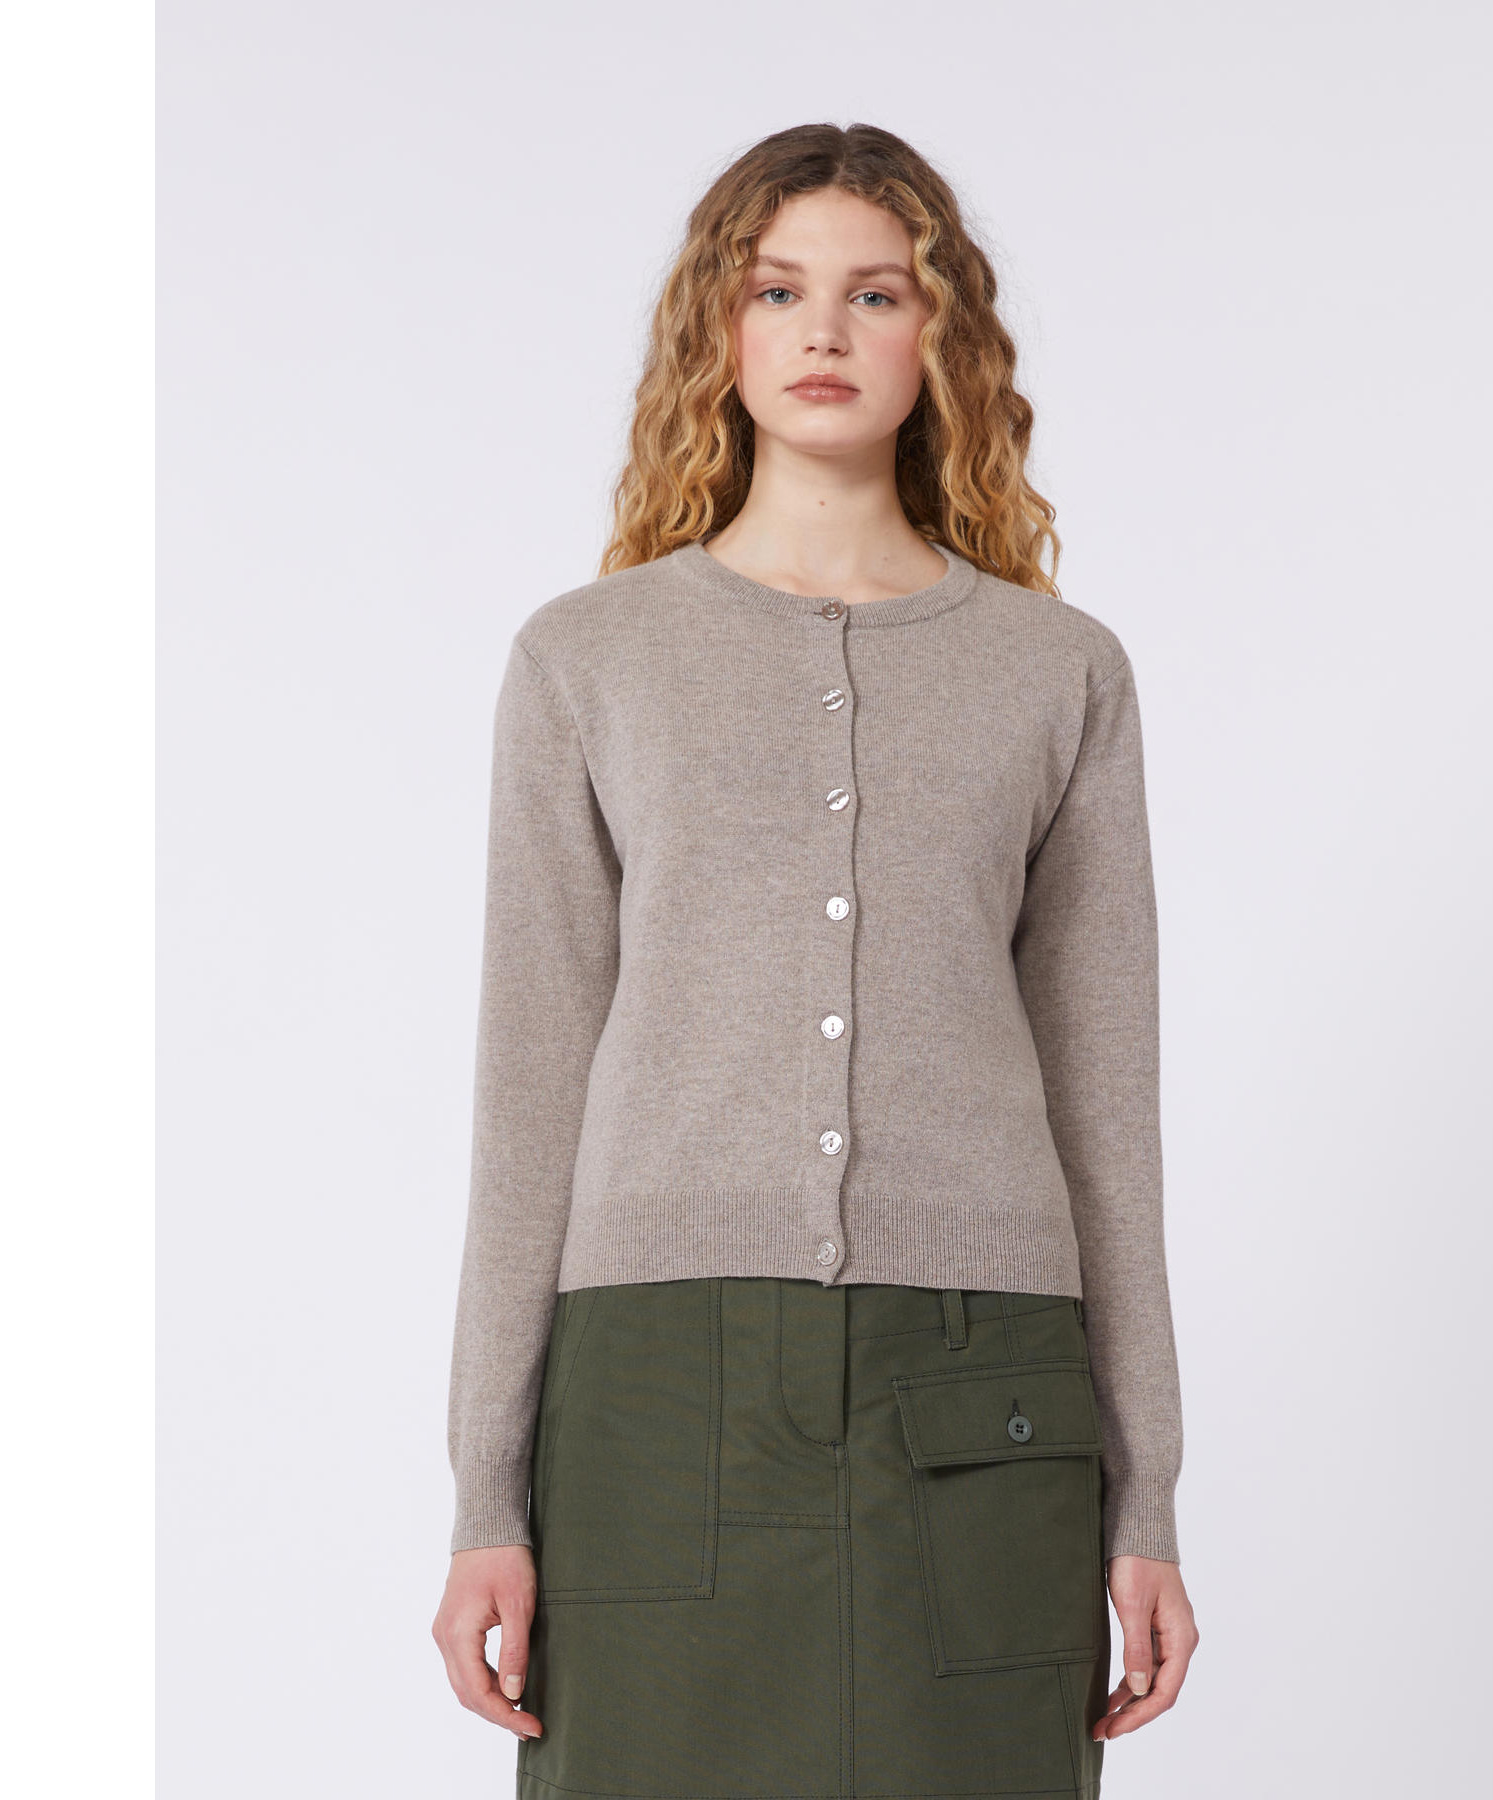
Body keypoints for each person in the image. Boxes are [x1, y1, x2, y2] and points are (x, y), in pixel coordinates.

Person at [431, 120, 1198, 1799]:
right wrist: (487, 1492)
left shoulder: (1061, 674)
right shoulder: (587, 659)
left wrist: (1147, 1498)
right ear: (718, 329)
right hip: (653, 1393)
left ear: (943, 337)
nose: (825, 331)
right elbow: (531, 1085)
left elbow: (1107, 1105)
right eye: (777, 291)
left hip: (984, 1384)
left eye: (877, 292)